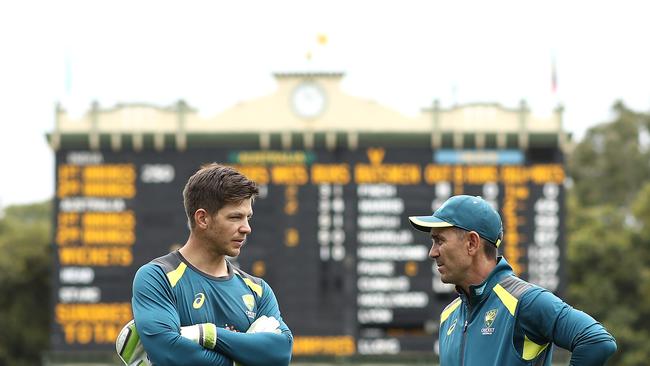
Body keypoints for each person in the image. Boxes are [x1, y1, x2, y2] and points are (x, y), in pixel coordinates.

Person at [408, 195, 616, 365]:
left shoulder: (524, 301)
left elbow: (597, 341)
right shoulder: (449, 316)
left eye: (439, 241)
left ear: (472, 243)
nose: (432, 252)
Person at [119, 163, 293, 365]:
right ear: (202, 218)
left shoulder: (259, 290)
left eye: (248, 218)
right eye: (235, 217)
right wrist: (244, 358)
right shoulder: (157, 277)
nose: (246, 228)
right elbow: (169, 354)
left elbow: (280, 354)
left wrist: (207, 334)